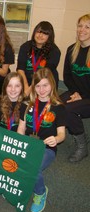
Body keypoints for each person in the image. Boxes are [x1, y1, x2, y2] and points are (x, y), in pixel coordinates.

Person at [17, 68, 66, 212]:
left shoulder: (58, 107)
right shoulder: (27, 105)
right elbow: (21, 128)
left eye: (45, 85)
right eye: (38, 86)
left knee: (33, 167)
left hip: (46, 148)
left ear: (52, 84)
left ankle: (40, 192)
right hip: (28, 144)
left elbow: (62, 134)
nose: (42, 90)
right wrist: (21, 143)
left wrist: (56, 139)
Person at [60, 14, 90, 163]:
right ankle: (55, 135)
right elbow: (67, 76)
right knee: (55, 104)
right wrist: (76, 92)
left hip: (88, 97)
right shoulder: (72, 49)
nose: (82, 30)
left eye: (87, 27)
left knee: (68, 109)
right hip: (77, 92)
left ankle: (83, 147)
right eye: (80, 26)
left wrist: (82, 96)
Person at [17, 21, 61, 95]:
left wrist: (29, 90)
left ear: (50, 36)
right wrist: (26, 87)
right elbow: (20, 69)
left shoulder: (55, 51)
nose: (40, 35)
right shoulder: (25, 47)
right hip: (26, 82)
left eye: (44, 33)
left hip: (45, 83)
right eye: (38, 32)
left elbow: (45, 74)